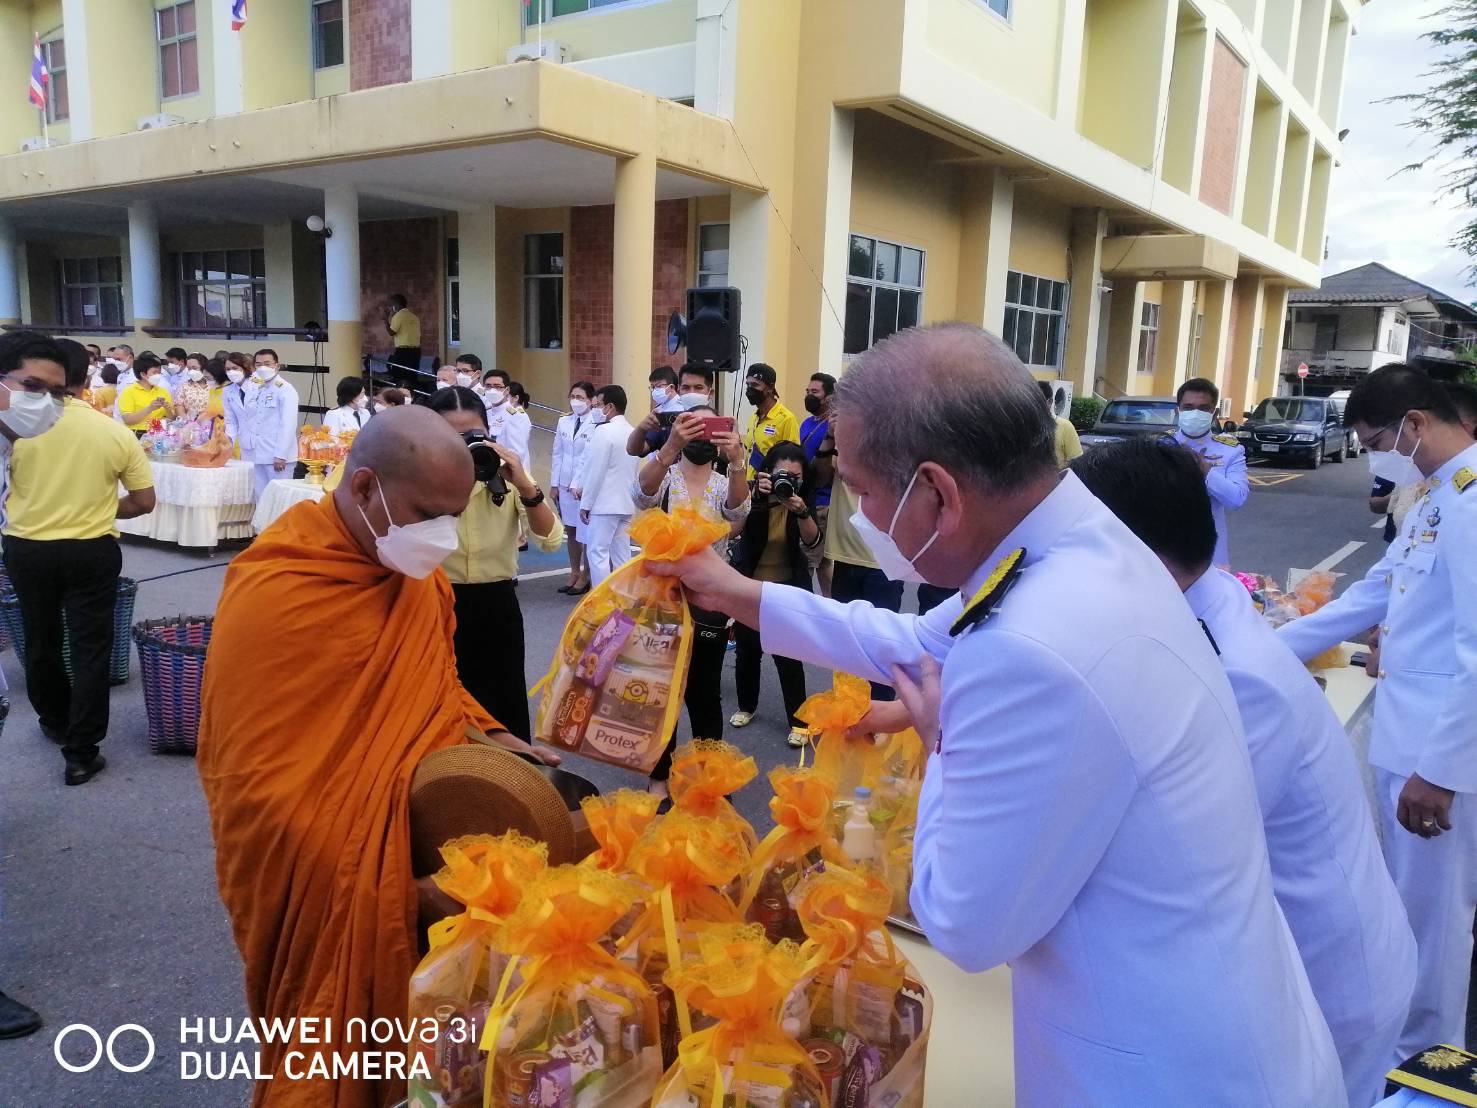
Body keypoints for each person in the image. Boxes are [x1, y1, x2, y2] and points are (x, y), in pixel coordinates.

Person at [650, 323, 1344, 1105]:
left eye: (865, 492)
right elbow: (923, 642)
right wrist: (737, 593)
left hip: (1154, 1070)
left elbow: (965, 923)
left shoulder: (1031, 646)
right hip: (1227, 1022)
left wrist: (943, 739)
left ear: (937, 492)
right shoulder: (1077, 543)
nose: (863, 514)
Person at [198, 406, 555, 1107]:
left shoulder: (419, 578)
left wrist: (494, 737)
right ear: (363, 486)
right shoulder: (278, 585)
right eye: (427, 514)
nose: (442, 536)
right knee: (322, 1018)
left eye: (453, 516)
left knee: (425, 1030)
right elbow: (250, 777)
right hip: (320, 862)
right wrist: (370, 876)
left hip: (408, 833)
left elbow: (437, 685)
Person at [1071, 437, 1417, 1106]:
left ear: (1126, 551)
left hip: (1325, 979)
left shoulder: (1233, 675)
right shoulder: (1204, 605)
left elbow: (1170, 848)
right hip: (1283, 964)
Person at [1277, 363, 1477, 1066]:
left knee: (1434, 923)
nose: (1375, 457)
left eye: (1376, 441)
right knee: (1405, 912)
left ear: (1414, 424)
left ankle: (1428, 1063)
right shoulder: (1434, 498)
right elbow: (1373, 594)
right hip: (1405, 737)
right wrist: (1259, 649)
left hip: (1440, 758)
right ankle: (1403, 1050)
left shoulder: (1472, 501)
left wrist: (1440, 770)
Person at [2, 331, 155, 786]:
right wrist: (101, 506)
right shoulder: (112, 431)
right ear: (86, 380)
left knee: (41, 638)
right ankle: (82, 752)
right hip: (91, 548)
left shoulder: (16, 430)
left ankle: (54, 719)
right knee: (91, 647)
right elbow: (144, 501)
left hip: (27, 547)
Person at [429, 386, 562, 739]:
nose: (464, 444)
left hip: (496, 606)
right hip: (434, 603)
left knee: (503, 705)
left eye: (473, 434)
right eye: (451, 436)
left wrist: (526, 487)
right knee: (439, 707)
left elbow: (550, 540)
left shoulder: (504, 471)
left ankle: (507, 773)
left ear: (488, 432)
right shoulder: (420, 477)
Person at [632, 406, 749, 789]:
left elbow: (739, 511)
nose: (700, 435)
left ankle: (708, 779)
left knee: (705, 694)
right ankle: (659, 779)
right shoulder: (664, 473)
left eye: (708, 427)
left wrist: (737, 461)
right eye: (691, 426)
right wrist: (669, 447)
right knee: (660, 694)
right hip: (661, 600)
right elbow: (642, 495)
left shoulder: (723, 482)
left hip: (709, 602)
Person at [729, 440, 820, 747]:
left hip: (787, 588)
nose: (787, 481)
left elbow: (812, 542)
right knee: (747, 651)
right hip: (751, 586)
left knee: (788, 656)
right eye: (782, 475)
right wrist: (756, 497)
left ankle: (799, 721)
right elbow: (733, 530)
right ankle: (746, 705)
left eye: (795, 477)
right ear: (767, 471)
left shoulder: (801, 500)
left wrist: (802, 510)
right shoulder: (754, 493)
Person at [1166, 376, 1247, 568]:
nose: (1195, 413)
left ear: (1214, 413)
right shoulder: (1161, 445)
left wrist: (1207, 474)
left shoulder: (1230, 450)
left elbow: (1237, 498)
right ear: (1178, 411)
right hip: (1165, 543)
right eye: (1188, 407)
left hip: (1209, 548)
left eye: (1203, 408)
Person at [577, 385, 639, 586]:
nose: (595, 409)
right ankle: (624, 596)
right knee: (622, 555)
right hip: (626, 503)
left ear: (610, 407)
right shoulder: (632, 431)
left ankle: (601, 597)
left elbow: (596, 471)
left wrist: (586, 504)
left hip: (604, 505)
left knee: (598, 553)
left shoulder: (603, 431)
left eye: (598, 405)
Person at [551, 380, 597, 595]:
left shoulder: (596, 423)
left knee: (585, 532)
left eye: (580, 397)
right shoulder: (564, 421)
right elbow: (557, 453)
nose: (576, 401)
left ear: (591, 400)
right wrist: (554, 484)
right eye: (573, 397)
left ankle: (587, 574)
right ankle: (574, 571)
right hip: (564, 483)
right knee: (570, 529)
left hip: (583, 486)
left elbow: (590, 458)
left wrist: (582, 484)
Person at [241, 349, 300, 499]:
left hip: (278, 457)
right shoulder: (259, 388)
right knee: (261, 498)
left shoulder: (285, 389)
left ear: (277, 366)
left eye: (267, 364)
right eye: (258, 364)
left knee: (279, 498)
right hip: (260, 454)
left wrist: (281, 454)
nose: (262, 368)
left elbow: (288, 424)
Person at [626, 363, 715, 459]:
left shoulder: (720, 425)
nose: (691, 393)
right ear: (679, 391)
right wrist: (641, 429)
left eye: (698, 388)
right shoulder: (669, 421)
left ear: (710, 393)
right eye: (686, 388)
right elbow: (633, 450)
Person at [800, 372, 837, 592]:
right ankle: (831, 604)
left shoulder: (833, 427)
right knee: (822, 562)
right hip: (806, 497)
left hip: (821, 503)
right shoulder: (806, 423)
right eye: (807, 391)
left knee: (808, 561)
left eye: (814, 392)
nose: (809, 396)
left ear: (829, 396)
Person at [742, 362, 799, 478]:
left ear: (770, 387)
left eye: (755, 385)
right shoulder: (753, 417)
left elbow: (793, 459)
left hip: (770, 484)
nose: (750, 389)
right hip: (750, 484)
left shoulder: (786, 419)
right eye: (748, 384)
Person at [480, 367, 532, 473]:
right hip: (486, 470)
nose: (492, 390)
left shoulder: (516, 416)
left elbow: (517, 455)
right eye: (488, 386)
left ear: (507, 390)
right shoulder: (486, 412)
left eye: (497, 387)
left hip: (506, 474)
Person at [116, 353, 175, 432]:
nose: (158, 376)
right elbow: (128, 420)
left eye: (159, 373)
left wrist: (168, 410)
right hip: (137, 432)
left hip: (158, 433)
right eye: (154, 372)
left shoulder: (163, 391)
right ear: (143, 374)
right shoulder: (128, 392)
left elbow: (171, 419)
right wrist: (150, 408)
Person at [1038, 380, 1083, 469]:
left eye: (1038, 401)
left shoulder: (1065, 426)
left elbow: (1076, 460)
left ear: (1050, 402)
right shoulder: (1025, 426)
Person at [385, 293, 421, 383]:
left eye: (392, 304)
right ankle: (412, 392)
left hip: (403, 351)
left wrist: (385, 319)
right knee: (412, 376)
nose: (391, 307)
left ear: (397, 304)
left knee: (399, 376)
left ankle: (401, 391)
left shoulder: (398, 316)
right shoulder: (414, 317)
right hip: (416, 351)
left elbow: (391, 332)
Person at [219, 355, 251, 445]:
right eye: (228, 369)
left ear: (244, 368)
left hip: (265, 439)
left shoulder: (258, 386)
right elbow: (230, 419)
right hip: (244, 440)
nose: (231, 372)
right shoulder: (227, 390)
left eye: (235, 368)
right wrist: (229, 440)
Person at [173, 352, 212, 421]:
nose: (191, 371)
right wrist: (187, 421)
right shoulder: (185, 386)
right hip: (189, 423)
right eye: (189, 369)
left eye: (194, 368)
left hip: (210, 423)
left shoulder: (214, 386)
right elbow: (179, 406)